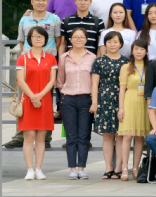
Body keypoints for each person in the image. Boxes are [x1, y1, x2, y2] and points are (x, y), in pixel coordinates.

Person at [17, 27, 58, 181]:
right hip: (28, 100)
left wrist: (40, 96)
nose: (38, 39)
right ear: (30, 39)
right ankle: (29, 169)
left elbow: (52, 80)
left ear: (46, 39)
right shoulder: (23, 58)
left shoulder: (51, 58)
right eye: (35, 36)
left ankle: (38, 169)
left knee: (41, 137)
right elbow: (21, 81)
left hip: (45, 100)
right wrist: (33, 97)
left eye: (41, 36)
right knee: (29, 137)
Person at [57, 28, 96, 179]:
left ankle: (82, 168)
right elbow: (60, 81)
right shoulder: (63, 57)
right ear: (70, 39)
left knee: (84, 135)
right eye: (75, 37)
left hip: (87, 99)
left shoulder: (92, 57)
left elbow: (95, 81)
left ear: (86, 39)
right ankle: (72, 168)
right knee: (71, 136)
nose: (78, 39)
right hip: (68, 100)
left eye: (81, 37)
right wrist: (64, 96)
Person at [91, 31, 128, 179]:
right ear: (105, 44)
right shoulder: (99, 61)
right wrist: (95, 102)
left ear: (121, 44)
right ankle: (108, 168)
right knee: (107, 136)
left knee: (120, 135)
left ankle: (118, 167)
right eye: (109, 42)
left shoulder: (126, 61)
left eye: (115, 42)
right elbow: (95, 84)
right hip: (104, 100)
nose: (112, 44)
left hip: (121, 100)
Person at [118, 39, 151, 180]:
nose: (139, 52)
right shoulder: (126, 67)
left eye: (142, 49)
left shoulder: (149, 67)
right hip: (129, 100)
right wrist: (121, 108)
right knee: (127, 136)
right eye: (136, 49)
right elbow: (122, 89)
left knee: (139, 137)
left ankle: (136, 168)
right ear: (132, 51)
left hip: (144, 102)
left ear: (146, 51)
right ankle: (125, 168)